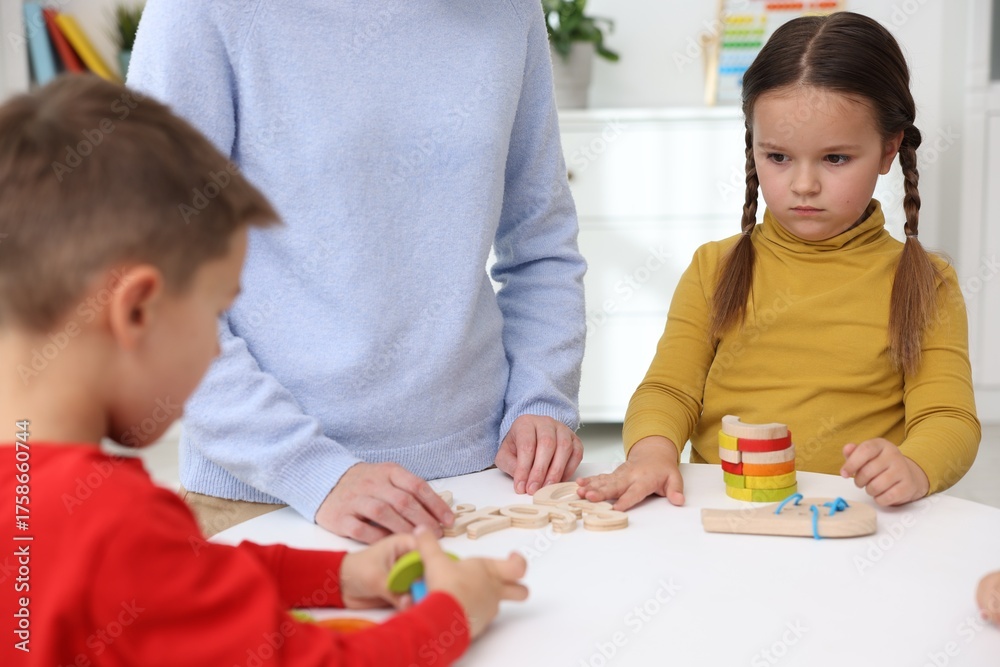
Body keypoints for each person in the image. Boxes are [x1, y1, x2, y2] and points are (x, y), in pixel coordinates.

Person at [0, 75, 528, 666]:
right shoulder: (112, 526)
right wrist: (455, 612)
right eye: (216, 310)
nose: (213, 350)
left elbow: (176, 580)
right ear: (138, 310)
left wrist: (341, 576)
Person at [126, 0, 588, 542]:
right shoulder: (203, 13)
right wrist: (315, 472)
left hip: (490, 481)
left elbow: (541, 242)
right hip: (267, 494)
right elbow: (158, 285)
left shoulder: (508, 13)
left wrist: (542, 399)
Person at [577, 12, 980, 511]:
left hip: (851, 520)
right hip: (725, 510)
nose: (804, 185)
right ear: (754, 148)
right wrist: (654, 452)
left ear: (888, 150)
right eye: (779, 157)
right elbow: (669, 388)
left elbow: (948, 416)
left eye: (835, 159)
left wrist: (914, 466)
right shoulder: (713, 267)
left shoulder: (925, 282)